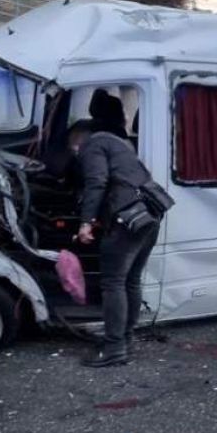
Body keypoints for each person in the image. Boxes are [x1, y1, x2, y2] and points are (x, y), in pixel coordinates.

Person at [69, 118, 161, 367]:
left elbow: (96, 181)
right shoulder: (121, 146)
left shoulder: (91, 145)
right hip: (148, 216)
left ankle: (114, 348)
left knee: (113, 282)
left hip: (127, 220)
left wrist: (86, 222)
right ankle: (125, 338)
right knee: (130, 280)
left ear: (77, 141)